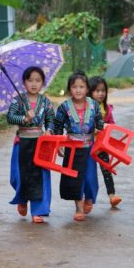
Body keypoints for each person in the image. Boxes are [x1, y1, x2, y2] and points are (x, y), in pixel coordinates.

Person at [51, 71, 105, 222]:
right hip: (72, 148)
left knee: (89, 177)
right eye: (74, 87)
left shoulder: (93, 105)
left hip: (89, 147)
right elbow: (57, 126)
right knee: (75, 178)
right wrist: (59, 144)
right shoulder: (64, 107)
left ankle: (89, 197)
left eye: (82, 86)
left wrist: (100, 132)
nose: (78, 90)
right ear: (69, 89)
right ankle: (79, 208)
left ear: (87, 89)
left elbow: (100, 121)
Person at [7, 66, 56, 224]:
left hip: (41, 143)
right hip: (22, 143)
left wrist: (49, 130)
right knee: (19, 175)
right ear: (24, 82)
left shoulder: (45, 102)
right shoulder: (18, 100)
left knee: (40, 176)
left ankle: (38, 210)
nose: (34, 84)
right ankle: (22, 198)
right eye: (30, 80)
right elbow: (10, 117)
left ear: (43, 83)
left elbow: (51, 120)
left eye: (38, 80)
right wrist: (25, 119)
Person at [88, 76, 122, 208]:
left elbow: (112, 124)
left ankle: (112, 196)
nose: (101, 93)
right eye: (97, 91)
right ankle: (87, 197)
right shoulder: (87, 107)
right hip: (88, 145)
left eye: (103, 90)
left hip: (101, 145)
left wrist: (107, 126)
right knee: (88, 173)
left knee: (106, 169)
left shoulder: (107, 108)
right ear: (90, 92)